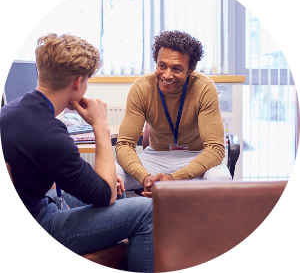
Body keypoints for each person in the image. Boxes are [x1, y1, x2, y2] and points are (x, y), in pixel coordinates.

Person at [0, 33, 153, 273]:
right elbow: (104, 196)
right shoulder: (49, 133)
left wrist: (104, 185)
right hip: (43, 220)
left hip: (39, 202)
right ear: (77, 82)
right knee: (147, 211)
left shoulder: (13, 110)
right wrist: (100, 126)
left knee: (119, 192)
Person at [115, 30, 232, 197]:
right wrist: (145, 178)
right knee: (111, 175)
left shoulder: (204, 88)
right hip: (156, 157)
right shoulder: (141, 88)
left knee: (220, 179)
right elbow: (124, 145)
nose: (167, 75)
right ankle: (130, 219)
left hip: (195, 157)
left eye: (176, 68)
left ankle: (203, 223)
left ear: (190, 69)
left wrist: (174, 178)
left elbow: (215, 149)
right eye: (162, 66)